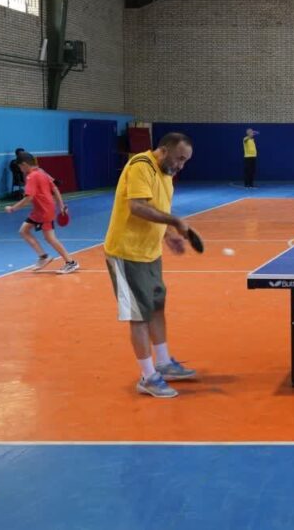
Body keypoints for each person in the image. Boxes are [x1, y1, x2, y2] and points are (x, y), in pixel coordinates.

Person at [104, 132, 198, 399]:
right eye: (179, 158)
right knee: (139, 316)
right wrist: (176, 222)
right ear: (164, 150)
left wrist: (167, 235)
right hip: (127, 253)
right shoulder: (140, 166)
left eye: (185, 161)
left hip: (150, 253)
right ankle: (148, 377)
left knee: (156, 308)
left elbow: (156, 209)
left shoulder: (166, 174)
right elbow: (137, 207)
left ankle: (164, 363)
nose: (181, 165)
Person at [4, 153, 78, 274]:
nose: (20, 170)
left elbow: (28, 198)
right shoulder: (42, 172)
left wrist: (13, 208)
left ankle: (71, 263)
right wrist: (61, 205)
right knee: (23, 231)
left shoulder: (31, 177)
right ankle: (43, 257)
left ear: (24, 164)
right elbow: (55, 189)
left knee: (50, 238)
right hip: (39, 210)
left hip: (44, 211)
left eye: (20, 167)